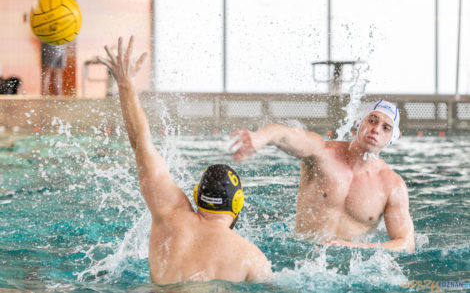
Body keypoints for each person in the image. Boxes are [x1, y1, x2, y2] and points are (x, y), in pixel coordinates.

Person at [98, 36, 272, 285]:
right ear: (238, 202)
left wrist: (125, 84)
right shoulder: (253, 260)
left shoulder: (169, 214)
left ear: (196, 194)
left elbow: (141, 143)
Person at [230, 100, 415, 252]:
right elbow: (285, 134)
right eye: (372, 120)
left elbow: (406, 244)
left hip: (352, 268)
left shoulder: (392, 185)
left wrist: (355, 247)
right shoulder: (321, 153)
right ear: (359, 123)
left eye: (386, 128)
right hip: (300, 256)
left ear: (392, 138)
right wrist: (261, 137)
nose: (376, 129)